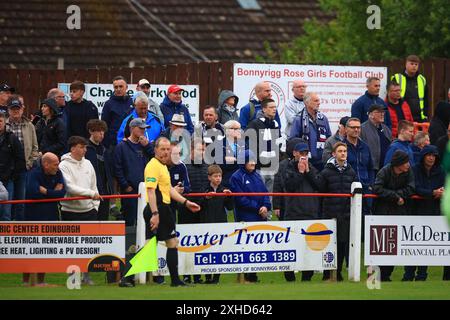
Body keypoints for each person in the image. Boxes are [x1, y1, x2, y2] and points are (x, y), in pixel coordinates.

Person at [132, 137, 200, 288]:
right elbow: (150, 191)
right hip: (158, 208)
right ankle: (175, 281)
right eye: (162, 149)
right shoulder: (153, 166)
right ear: (155, 149)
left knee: (152, 244)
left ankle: (128, 278)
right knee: (170, 242)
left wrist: (186, 202)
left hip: (161, 208)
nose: (165, 152)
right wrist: (155, 214)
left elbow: (168, 190)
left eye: (168, 149)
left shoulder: (162, 166)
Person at [59, 136, 100, 286]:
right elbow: (69, 187)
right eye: (81, 147)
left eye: (85, 147)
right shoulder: (63, 165)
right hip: (70, 211)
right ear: (72, 148)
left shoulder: (88, 163)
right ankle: (73, 277)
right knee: (72, 246)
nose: (84, 149)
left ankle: (86, 275)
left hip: (89, 211)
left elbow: (94, 185)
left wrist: (95, 206)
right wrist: (90, 194)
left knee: (88, 246)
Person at [278, 142, 322, 282]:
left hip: (310, 213)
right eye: (301, 153)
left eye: (306, 154)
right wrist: (300, 172)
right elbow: (289, 187)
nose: (304, 156)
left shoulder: (312, 168)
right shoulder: (287, 168)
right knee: (290, 248)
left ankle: (307, 277)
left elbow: (319, 185)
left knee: (308, 249)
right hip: (293, 213)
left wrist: (308, 171)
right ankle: (289, 277)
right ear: (295, 153)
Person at [23, 152, 65, 287]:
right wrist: (52, 193)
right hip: (33, 217)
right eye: (55, 164)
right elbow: (33, 192)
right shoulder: (34, 174)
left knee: (44, 250)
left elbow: (62, 193)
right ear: (45, 164)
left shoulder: (58, 174)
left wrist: (45, 192)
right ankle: (25, 282)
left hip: (51, 216)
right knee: (30, 250)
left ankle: (41, 281)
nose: (57, 167)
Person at [373, 150, 415, 282]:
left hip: (399, 213)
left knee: (394, 246)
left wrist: (399, 195)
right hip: (383, 213)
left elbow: (411, 188)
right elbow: (377, 188)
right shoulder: (384, 172)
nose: (408, 164)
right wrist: (395, 197)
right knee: (381, 246)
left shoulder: (408, 172)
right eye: (406, 162)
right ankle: (378, 275)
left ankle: (387, 275)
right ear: (399, 164)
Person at [230, 150, 271, 283]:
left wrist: (265, 206)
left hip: (260, 215)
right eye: (250, 160)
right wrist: (257, 207)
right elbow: (240, 199)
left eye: (253, 160)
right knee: (246, 247)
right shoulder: (236, 177)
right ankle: (245, 276)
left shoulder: (258, 176)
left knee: (257, 247)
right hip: (246, 217)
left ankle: (252, 275)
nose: (253, 163)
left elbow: (265, 193)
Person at [404, 145, 444, 281]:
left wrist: (442, 192)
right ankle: (408, 275)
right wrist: (432, 193)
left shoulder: (440, 171)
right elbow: (414, 188)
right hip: (415, 212)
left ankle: (422, 275)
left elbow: (444, 186)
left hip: (432, 212)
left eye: (434, 155)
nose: (432, 158)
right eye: (429, 155)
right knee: (411, 246)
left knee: (426, 247)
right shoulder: (414, 169)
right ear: (423, 156)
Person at [319, 142, 357, 282]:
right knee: (328, 245)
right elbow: (320, 190)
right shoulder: (326, 171)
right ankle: (327, 273)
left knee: (341, 244)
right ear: (334, 154)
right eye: (340, 151)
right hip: (330, 214)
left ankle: (338, 272)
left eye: (345, 151)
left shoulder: (351, 172)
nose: (343, 153)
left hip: (345, 215)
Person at [114, 118, 154, 226]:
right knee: (130, 219)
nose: (143, 131)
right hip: (129, 189)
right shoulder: (121, 146)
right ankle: (129, 242)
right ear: (132, 128)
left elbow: (156, 160)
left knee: (146, 218)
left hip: (145, 188)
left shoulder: (145, 145)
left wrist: (148, 146)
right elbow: (117, 168)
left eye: (144, 129)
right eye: (140, 128)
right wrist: (125, 185)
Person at [198, 165, 233, 284]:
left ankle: (216, 278)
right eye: (215, 176)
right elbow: (198, 206)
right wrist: (206, 198)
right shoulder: (204, 189)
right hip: (206, 222)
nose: (218, 178)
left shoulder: (224, 189)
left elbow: (230, 207)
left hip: (220, 222)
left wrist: (229, 197)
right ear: (209, 177)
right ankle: (208, 277)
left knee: (219, 250)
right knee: (207, 250)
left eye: (220, 176)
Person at [6, 95, 39, 221]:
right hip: (6, 171)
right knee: (7, 201)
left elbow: (35, 147)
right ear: (8, 110)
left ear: (22, 109)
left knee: (21, 201)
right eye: (13, 108)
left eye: (18, 108)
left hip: (23, 169)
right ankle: (6, 229)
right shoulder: (4, 125)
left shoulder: (29, 125)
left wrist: (30, 163)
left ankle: (19, 228)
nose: (15, 111)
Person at [246, 98, 282, 192]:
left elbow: (279, 142)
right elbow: (248, 143)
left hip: (273, 166)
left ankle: (269, 207)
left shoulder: (275, 124)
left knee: (270, 195)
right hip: (259, 166)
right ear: (264, 109)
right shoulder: (255, 124)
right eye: (271, 107)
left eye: (275, 107)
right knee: (259, 193)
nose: (274, 109)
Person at [289, 92, 331, 171]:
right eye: (316, 101)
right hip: (305, 161)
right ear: (307, 103)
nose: (319, 103)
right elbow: (293, 140)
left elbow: (329, 137)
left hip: (322, 161)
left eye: (318, 100)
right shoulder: (299, 119)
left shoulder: (323, 118)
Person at [85, 119, 113, 221]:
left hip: (105, 191)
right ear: (91, 131)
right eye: (99, 131)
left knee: (103, 220)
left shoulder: (105, 150)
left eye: (103, 131)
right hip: (92, 190)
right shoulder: (86, 149)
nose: (102, 134)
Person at [0, 112, 25, 221]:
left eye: (0, 121)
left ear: (4, 122)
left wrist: (12, 175)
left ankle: (6, 237)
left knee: (6, 211)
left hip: (8, 179)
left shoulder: (12, 138)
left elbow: (20, 158)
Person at [272, 137, 305, 221]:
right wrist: (276, 206)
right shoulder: (283, 165)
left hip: (301, 203)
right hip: (285, 202)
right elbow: (277, 185)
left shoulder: (306, 163)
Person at [391, 55, 428, 122]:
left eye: (416, 64)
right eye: (411, 64)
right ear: (406, 64)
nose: (414, 66)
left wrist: (425, 115)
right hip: (402, 116)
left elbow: (426, 99)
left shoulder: (422, 79)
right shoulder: (397, 78)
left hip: (419, 118)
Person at [101, 76, 134, 149]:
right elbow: (104, 126)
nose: (118, 89)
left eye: (121, 86)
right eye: (116, 87)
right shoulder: (108, 104)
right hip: (113, 144)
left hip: (131, 143)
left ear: (126, 87)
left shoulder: (133, 103)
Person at [360, 105, 392, 172]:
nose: (382, 114)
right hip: (371, 168)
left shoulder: (386, 129)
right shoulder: (362, 129)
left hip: (386, 167)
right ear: (371, 114)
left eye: (383, 112)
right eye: (379, 112)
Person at [220, 120, 245, 188]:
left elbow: (246, 161)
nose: (239, 131)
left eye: (239, 129)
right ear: (227, 130)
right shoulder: (219, 144)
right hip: (226, 181)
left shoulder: (243, 144)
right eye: (235, 129)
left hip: (241, 180)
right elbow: (219, 164)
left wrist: (235, 160)